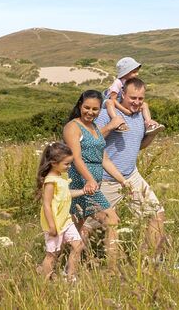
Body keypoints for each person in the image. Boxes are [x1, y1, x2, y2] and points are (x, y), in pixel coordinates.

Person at [91, 77, 166, 257]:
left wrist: (153, 134)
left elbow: (137, 145)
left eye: (140, 99)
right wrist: (111, 125)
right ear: (123, 94)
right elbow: (90, 140)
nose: (136, 102)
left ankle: (152, 261)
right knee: (109, 224)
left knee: (157, 214)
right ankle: (110, 271)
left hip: (131, 176)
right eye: (133, 98)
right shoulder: (106, 114)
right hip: (105, 180)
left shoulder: (140, 115)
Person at [63, 90, 128, 268]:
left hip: (92, 185)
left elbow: (104, 159)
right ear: (79, 106)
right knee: (112, 219)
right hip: (81, 182)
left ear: (100, 110)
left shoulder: (95, 129)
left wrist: (122, 180)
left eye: (95, 109)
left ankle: (67, 271)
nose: (90, 112)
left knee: (75, 231)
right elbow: (76, 158)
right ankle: (113, 269)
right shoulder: (73, 127)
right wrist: (90, 180)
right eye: (86, 108)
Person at [36, 142, 85, 281]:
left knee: (78, 245)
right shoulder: (50, 181)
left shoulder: (61, 177)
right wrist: (51, 225)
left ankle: (71, 277)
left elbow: (66, 194)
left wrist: (82, 191)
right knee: (53, 254)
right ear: (53, 163)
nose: (69, 167)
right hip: (55, 222)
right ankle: (45, 281)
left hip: (66, 220)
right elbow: (46, 204)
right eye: (66, 164)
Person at [104, 56, 164, 135]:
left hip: (120, 102)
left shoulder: (128, 82)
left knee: (144, 104)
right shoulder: (117, 83)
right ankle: (116, 121)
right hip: (110, 103)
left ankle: (148, 123)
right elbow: (113, 99)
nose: (137, 74)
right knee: (109, 102)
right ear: (125, 72)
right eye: (134, 72)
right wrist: (124, 110)